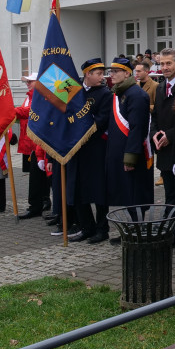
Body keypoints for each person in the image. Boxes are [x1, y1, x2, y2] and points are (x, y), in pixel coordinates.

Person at [106, 58, 153, 227]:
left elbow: (137, 128)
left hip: (131, 155)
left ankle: (138, 231)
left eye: (115, 72)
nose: (111, 75)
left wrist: (130, 157)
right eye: (111, 72)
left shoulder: (136, 95)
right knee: (126, 193)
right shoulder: (120, 93)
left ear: (127, 73)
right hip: (120, 152)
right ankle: (131, 229)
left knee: (135, 194)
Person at [72, 58, 113, 242]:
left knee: (98, 189)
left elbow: (102, 120)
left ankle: (102, 229)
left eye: (102, 73)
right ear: (87, 74)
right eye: (97, 73)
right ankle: (86, 226)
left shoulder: (105, 93)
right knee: (79, 187)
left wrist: (81, 133)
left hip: (96, 147)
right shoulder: (75, 91)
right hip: (77, 147)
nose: (102, 77)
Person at [152, 48, 175, 246]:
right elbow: (156, 116)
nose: (165, 67)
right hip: (164, 149)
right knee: (169, 195)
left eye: (168, 64)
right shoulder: (160, 88)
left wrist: (170, 135)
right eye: (162, 64)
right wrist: (155, 134)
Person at [16, 73, 50, 219]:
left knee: (41, 177)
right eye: (27, 82)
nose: (28, 84)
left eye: (31, 81)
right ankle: (39, 203)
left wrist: (8, 110)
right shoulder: (29, 96)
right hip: (29, 142)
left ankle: (41, 203)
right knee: (36, 177)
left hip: (39, 143)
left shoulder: (41, 97)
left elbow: (28, 112)